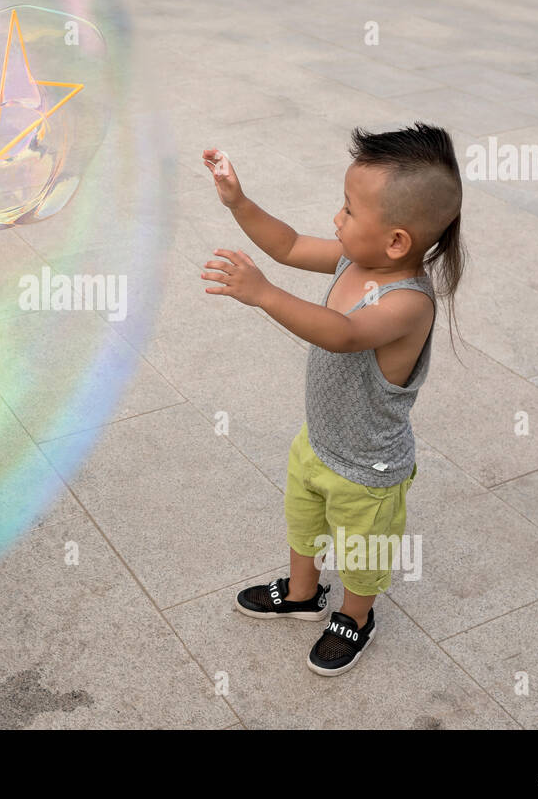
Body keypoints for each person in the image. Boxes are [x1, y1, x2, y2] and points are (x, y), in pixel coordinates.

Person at [199, 123, 465, 676]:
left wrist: (265, 294)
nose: (336, 220)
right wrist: (237, 201)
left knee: (362, 551)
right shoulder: (353, 260)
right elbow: (289, 244)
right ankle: (301, 594)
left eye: (348, 211)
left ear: (396, 241)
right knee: (304, 523)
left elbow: (341, 333)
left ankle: (356, 616)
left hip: (369, 468)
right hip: (317, 442)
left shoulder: (408, 303)